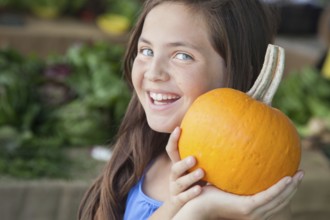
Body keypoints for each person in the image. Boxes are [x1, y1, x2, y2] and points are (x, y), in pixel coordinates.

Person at [78, 0, 304, 219]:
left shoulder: (254, 197)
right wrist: (185, 207)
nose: (154, 72)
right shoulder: (140, 153)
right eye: (146, 50)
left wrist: (201, 209)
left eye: (182, 56)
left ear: (239, 70)